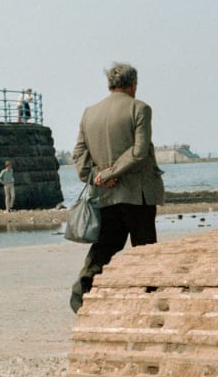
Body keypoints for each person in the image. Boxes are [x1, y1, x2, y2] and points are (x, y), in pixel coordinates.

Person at [68, 62, 164, 312]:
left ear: (110, 84)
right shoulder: (140, 108)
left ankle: (82, 291)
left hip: (105, 193)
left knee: (106, 244)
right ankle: (148, 294)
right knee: (144, 246)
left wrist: (98, 175)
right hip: (137, 192)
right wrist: (112, 172)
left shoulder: (90, 112)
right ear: (133, 85)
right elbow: (139, 151)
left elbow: (78, 153)